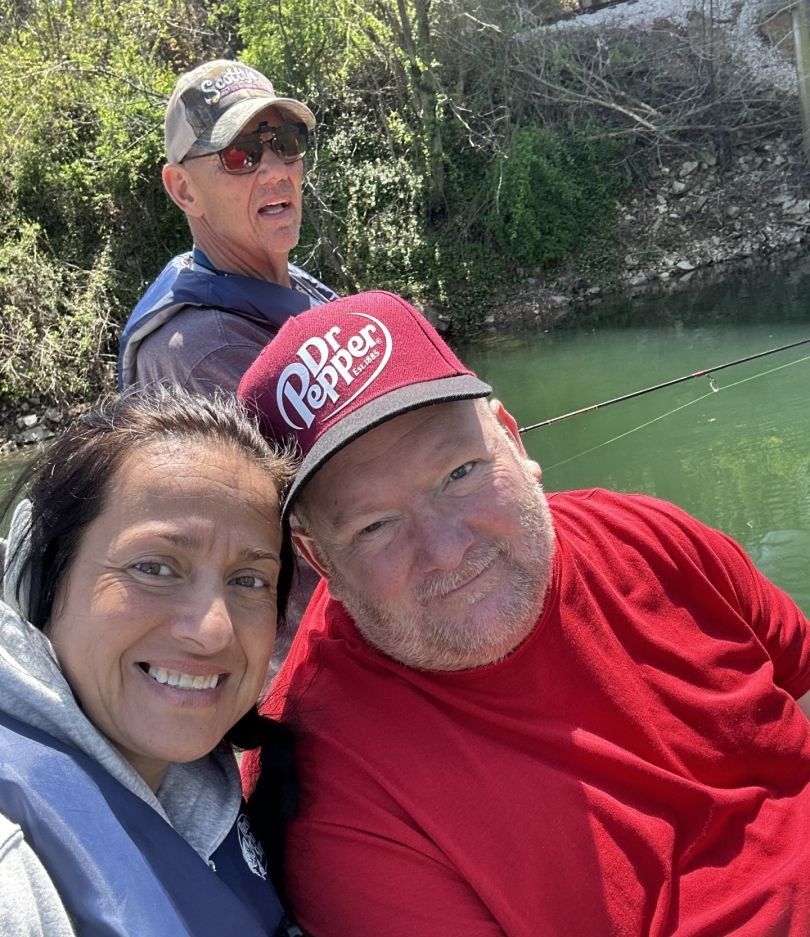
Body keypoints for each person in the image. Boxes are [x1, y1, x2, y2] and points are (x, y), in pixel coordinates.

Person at [238, 290, 810, 937]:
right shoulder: (336, 808)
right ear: (320, 557)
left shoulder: (650, 537)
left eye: (459, 472)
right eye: (374, 525)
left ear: (511, 438)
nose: (447, 548)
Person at [0, 387, 303, 936]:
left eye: (249, 580)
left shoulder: (206, 781)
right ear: (40, 580)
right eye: (154, 568)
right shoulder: (12, 867)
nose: (213, 631)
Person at [118, 58, 338, 394]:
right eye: (240, 154)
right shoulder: (205, 351)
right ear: (184, 189)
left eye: (286, 142)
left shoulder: (280, 283)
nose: (277, 170)